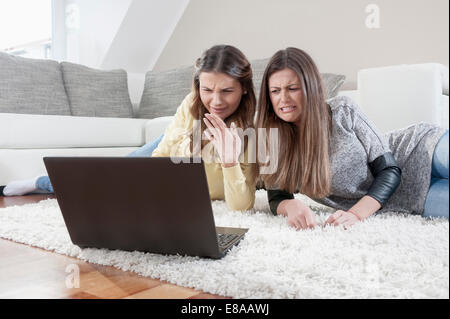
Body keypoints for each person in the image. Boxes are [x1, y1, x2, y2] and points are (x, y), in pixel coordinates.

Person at [1, 45, 258, 211]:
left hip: (190, 160)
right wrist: (147, 184)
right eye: (207, 90)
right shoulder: (192, 104)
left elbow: (240, 205)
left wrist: (228, 160)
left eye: (227, 91)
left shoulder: (249, 131)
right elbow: (163, 153)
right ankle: (39, 182)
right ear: (197, 86)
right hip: (165, 149)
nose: (215, 101)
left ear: (244, 88)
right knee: (109, 178)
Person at [255, 47, 448, 230]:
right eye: (275, 91)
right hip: (411, 197)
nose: (283, 98)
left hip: (421, 149)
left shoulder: (342, 110)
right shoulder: (269, 139)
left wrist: (356, 214)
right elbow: (276, 196)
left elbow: (389, 169)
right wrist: (291, 206)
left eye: (292, 88)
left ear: (310, 88)